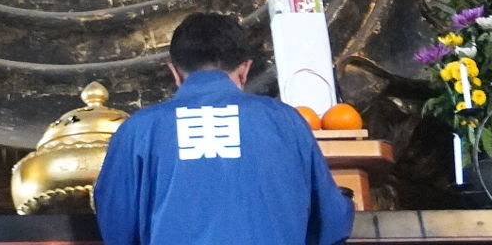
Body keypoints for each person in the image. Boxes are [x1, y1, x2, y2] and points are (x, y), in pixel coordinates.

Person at [92, 13, 353, 245]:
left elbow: (117, 226)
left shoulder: (137, 130)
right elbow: (330, 221)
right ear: (245, 69)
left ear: (175, 73)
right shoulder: (286, 120)